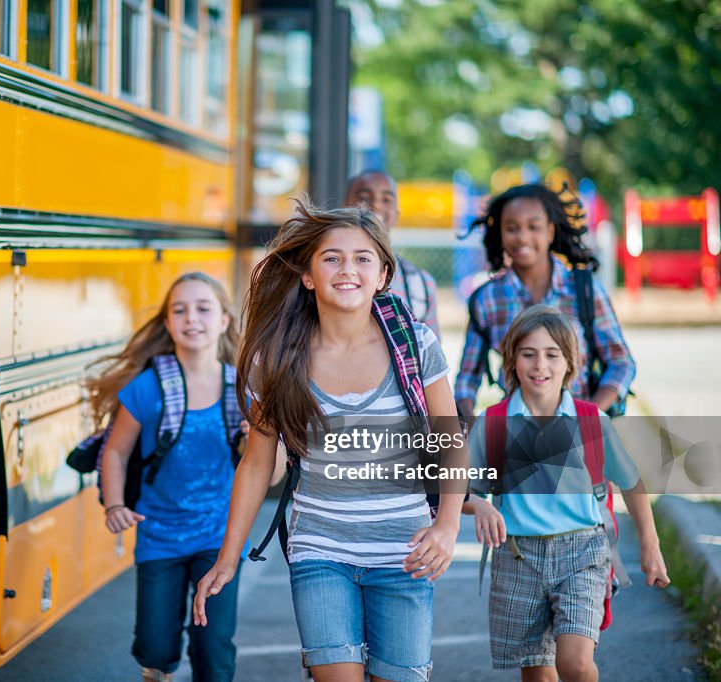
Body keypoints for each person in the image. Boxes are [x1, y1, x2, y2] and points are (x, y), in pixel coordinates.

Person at [193, 201, 467, 682]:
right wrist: (227, 557)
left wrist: (446, 526)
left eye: (363, 258)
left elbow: (450, 440)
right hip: (320, 550)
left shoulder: (416, 346)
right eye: (332, 257)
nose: (348, 269)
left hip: (405, 552)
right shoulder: (277, 359)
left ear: (383, 275)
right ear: (307, 275)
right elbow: (257, 465)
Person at [464, 305, 669, 682]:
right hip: (518, 556)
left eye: (551, 354)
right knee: (538, 673)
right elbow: (460, 491)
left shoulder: (592, 420)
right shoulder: (493, 423)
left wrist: (650, 547)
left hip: (583, 553)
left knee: (573, 664)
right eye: (528, 354)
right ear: (511, 361)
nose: (540, 365)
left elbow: (631, 481)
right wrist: (478, 505)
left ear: (570, 362)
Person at [95, 272, 271, 682]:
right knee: (155, 646)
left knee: (214, 645)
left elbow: (267, 468)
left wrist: (254, 441)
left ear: (224, 320)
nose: (192, 318)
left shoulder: (243, 389)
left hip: (220, 537)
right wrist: (116, 503)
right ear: (168, 323)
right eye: (180, 310)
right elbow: (116, 452)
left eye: (203, 308)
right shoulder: (147, 388)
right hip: (159, 536)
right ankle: (158, 672)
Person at [455, 183, 635, 419]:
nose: (522, 237)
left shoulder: (585, 291)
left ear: (550, 231)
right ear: (500, 233)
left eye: (533, 227)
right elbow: (467, 379)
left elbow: (621, 363)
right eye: (511, 228)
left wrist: (588, 416)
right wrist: (471, 427)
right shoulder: (487, 299)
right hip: (515, 436)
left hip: (580, 434)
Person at [345, 169, 441, 338]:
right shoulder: (325, 273)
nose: (377, 204)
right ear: (344, 207)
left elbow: (431, 356)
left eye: (387, 199)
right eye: (364, 197)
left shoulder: (420, 285)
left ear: (397, 214)